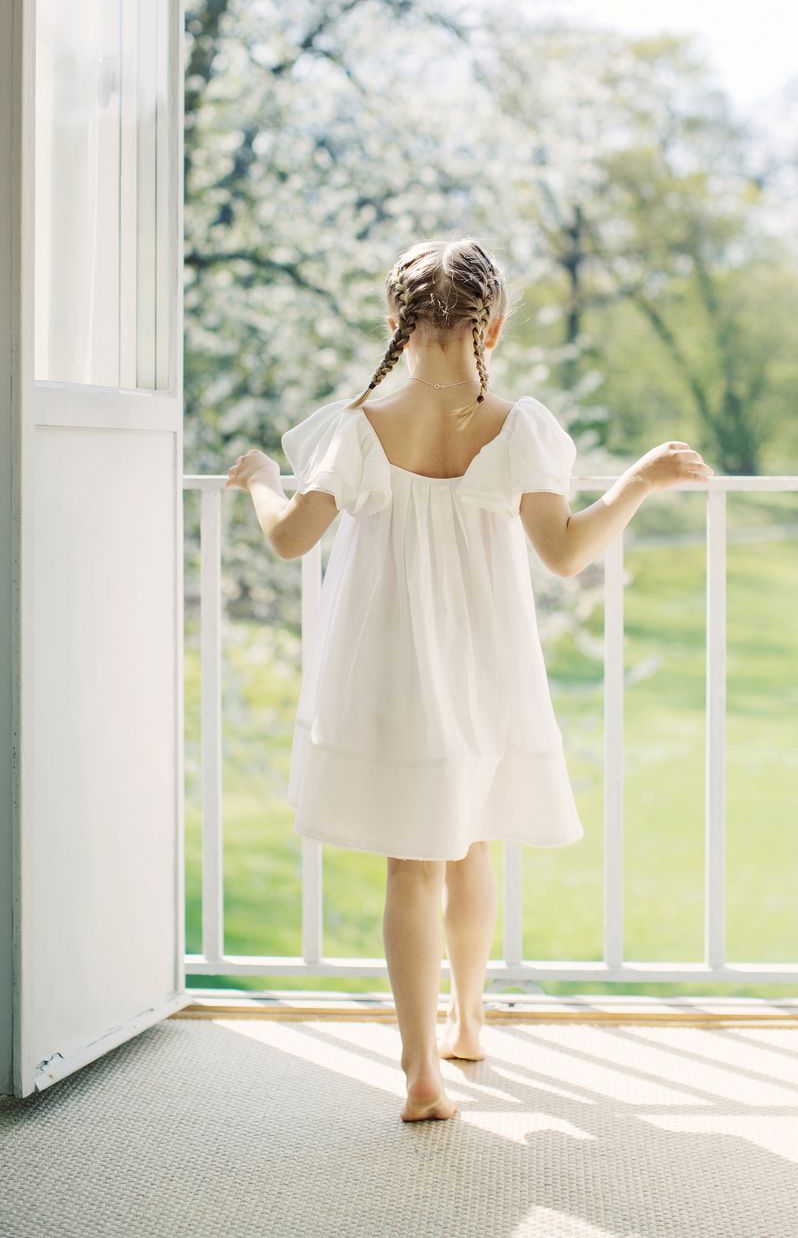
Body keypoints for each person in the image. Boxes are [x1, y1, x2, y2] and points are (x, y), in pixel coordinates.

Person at [225, 236, 713, 1122]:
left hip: (387, 671)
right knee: (473, 838)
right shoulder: (517, 426)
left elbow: (292, 538)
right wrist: (637, 480)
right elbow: (565, 552)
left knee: (412, 867)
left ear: (395, 321)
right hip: (485, 667)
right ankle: (470, 1020)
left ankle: (422, 1071)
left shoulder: (358, 427)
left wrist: (262, 477)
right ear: (491, 323)